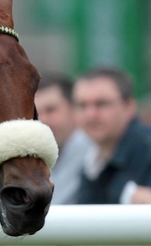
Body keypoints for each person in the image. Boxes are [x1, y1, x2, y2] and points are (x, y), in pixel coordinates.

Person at [72, 67, 151, 204]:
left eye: (101, 104)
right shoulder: (89, 163)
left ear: (129, 106)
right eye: (82, 105)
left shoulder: (146, 152)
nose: (90, 115)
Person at [34, 73, 93, 204]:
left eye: (51, 110)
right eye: (36, 113)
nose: (42, 120)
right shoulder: (32, 155)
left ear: (74, 109)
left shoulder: (95, 150)